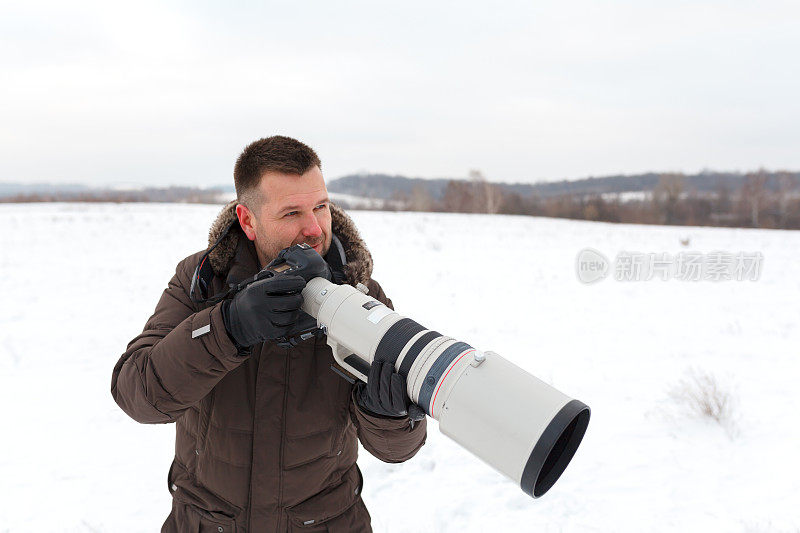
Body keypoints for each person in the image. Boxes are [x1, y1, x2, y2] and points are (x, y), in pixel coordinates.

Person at [111, 136, 427, 532]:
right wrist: (228, 326)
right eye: (292, 212)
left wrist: (390, 414)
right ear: (248, 220)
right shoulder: (202, 282)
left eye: (321, 207)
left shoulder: (362, 294)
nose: (314, 228)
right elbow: (138, 395)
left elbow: (397, 450)